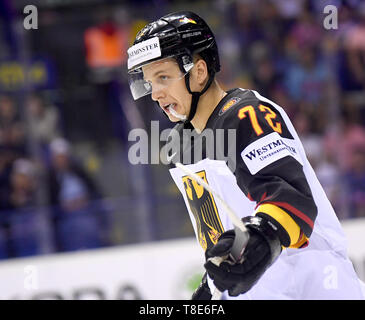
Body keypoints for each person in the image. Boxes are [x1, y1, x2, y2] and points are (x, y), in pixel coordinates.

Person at [127, 11, 365, 300]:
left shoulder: (247, 114)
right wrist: (212, 287)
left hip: (314, 288)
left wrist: (262, 236)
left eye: (163, 77)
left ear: (199, 72)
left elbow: (291, 199)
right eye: (150, 82)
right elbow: (224, 232)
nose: (155, 94)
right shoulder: (179, 145)